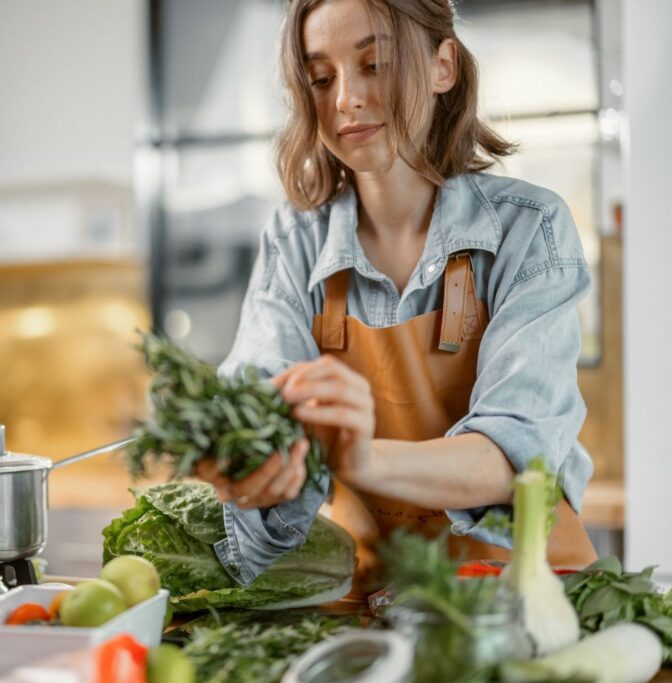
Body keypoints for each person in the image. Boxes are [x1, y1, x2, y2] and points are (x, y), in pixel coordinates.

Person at [192, 0, 598, 588]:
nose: (345, 100)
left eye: (375, 64)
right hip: (370, 599)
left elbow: (517, 453)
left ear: (444, 68)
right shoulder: (295, 240)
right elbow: (257, 397)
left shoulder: (529, 229)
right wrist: (245, 456)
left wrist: (359, 458)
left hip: (522, 601)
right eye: (321, 79)